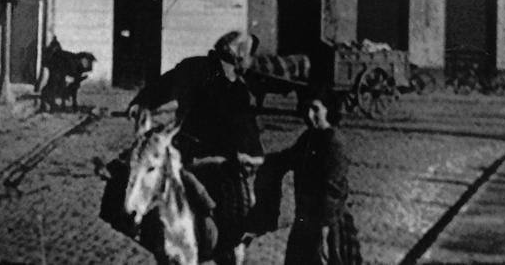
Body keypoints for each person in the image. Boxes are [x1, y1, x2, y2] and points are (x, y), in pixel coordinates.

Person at [125, 29, 264, 263]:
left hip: (207, 156)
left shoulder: (234, 86)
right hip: (203, 158)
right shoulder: (199, 71)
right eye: (248, 56)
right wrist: (142, 101)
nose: (250, 62)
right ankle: (225, 247)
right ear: (238, 58)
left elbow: (245, 128)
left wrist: (142, 101)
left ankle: (222, 247)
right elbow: (165, 84)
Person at [265, 89, 362, 265]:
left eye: (315, 109)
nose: (309, 115)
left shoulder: (334, 142)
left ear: (329, 110)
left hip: (327, 224)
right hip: (305, 221)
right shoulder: (309, 137)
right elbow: (287, 158)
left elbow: (332, 190)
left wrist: (324, 232)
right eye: (307, 109)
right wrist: (255, 160)